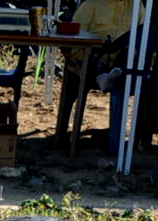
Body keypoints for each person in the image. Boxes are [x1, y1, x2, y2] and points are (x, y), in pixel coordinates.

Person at [53, 0, 133, 145]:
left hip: (118, 63)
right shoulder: (91, 4)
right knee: (89, 59)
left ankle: (129, 136)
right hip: (88, 59)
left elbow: (140, 35)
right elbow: (74, 36)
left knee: (130, 57)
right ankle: (101, 76)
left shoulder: (137, 6)